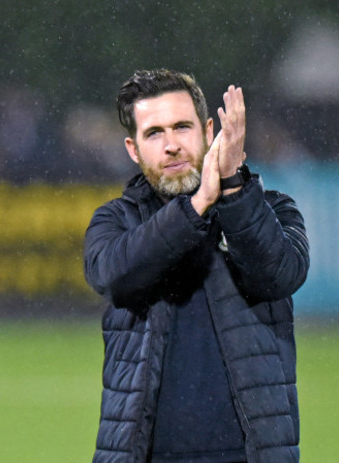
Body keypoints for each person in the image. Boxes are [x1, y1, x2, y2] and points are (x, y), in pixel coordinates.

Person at [84, 69, 310, 463]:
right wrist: (196, 205)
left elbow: (279, 275)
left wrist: (233, 193)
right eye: (154, 133)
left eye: (182, 127)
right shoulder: (115, 222)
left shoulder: (270, 209)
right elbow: (116, 278)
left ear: (209, 130)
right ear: (133, 149)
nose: (171, 145)